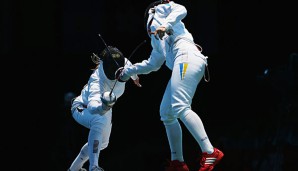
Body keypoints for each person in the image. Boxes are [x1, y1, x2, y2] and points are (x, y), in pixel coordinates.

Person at [119, 1, 223, 171]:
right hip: (184, 61)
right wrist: (128, 72)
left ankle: (210, 151)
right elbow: (153, 64)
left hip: (186, 56)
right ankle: (178, 162)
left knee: (180, 106)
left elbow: (181, 9)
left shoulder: (157, 11)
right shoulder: (156, 38)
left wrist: (166, 24)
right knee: (166, 112)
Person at [67, 46, 141, 171]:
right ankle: (94, 167)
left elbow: (131, 67)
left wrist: (135, 77)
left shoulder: (123, 62)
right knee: (99, 121)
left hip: (106, 108)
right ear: (106, 66)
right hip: (82, 108)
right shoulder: (97, 79)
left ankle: (73, 169)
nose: (119, 72)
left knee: (103, 143)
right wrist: (102, 107)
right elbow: (92, 107)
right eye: (113, 68)